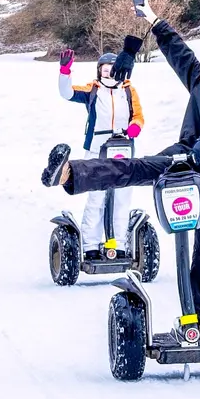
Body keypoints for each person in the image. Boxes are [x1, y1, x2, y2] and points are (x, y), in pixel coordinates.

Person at [43, 12, 200, 342]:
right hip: (186, 155)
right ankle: (71, 173)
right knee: (138, 167)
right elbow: (179, 52)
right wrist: (152, 19)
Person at [57, 47, 145, 258]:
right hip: (97, 150)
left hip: (123, 149)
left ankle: (119, 245)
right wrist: (65, 71)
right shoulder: (92, 90)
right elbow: (66, 93)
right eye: (104, 70)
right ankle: (91, 246)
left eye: (112, 69)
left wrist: (135, 127)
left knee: (121, 198)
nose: (108, 73)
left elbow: (139, 116)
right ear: (99, 72)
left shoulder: (128, 90)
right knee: (96, 198)